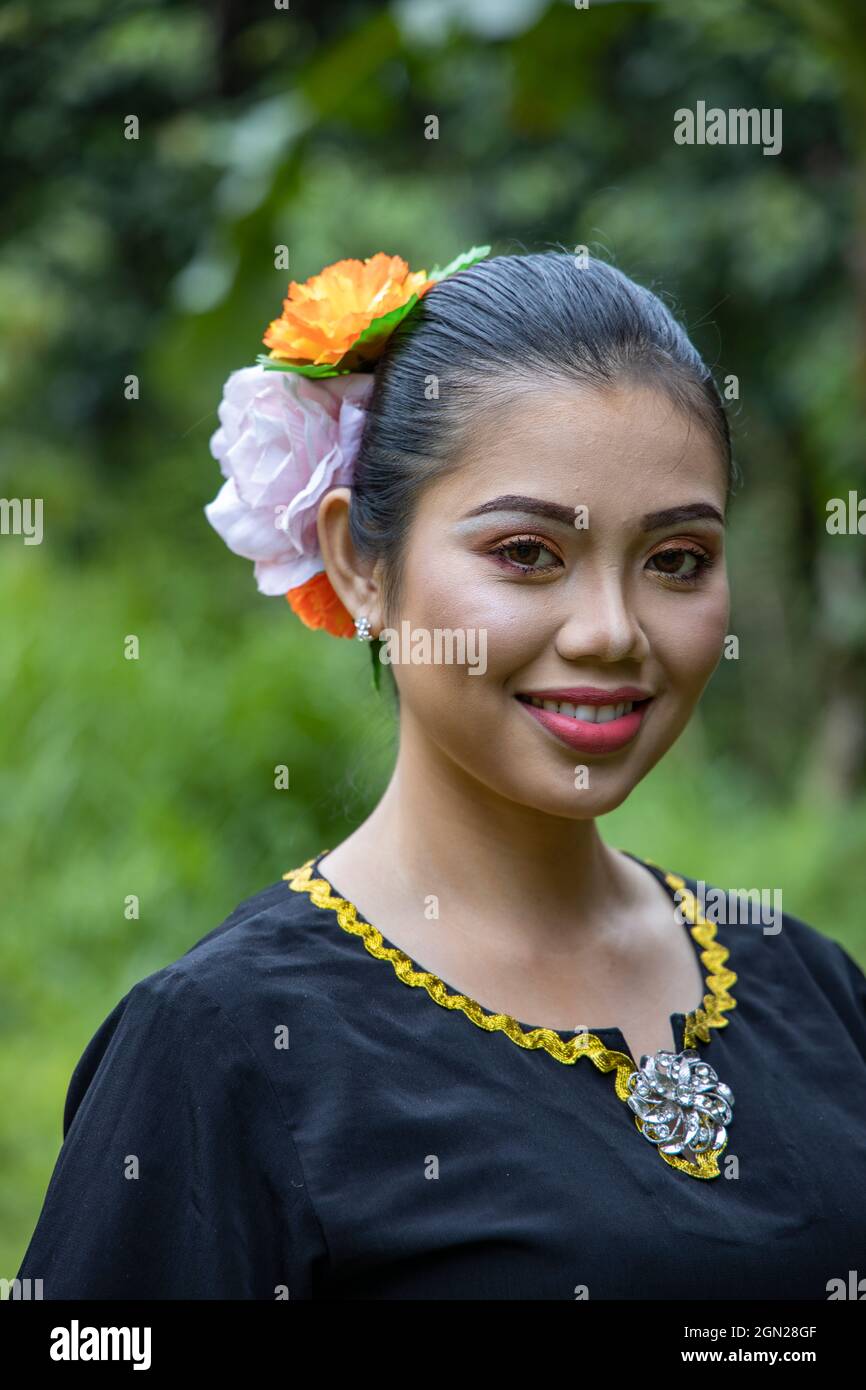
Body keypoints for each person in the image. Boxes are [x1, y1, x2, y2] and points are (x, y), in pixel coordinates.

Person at [17, 248, 866, 1300]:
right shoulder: (222, 1048)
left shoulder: (810, 985)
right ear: (358, 564)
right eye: (524, 553)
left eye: (676, 560)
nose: (610, 632)